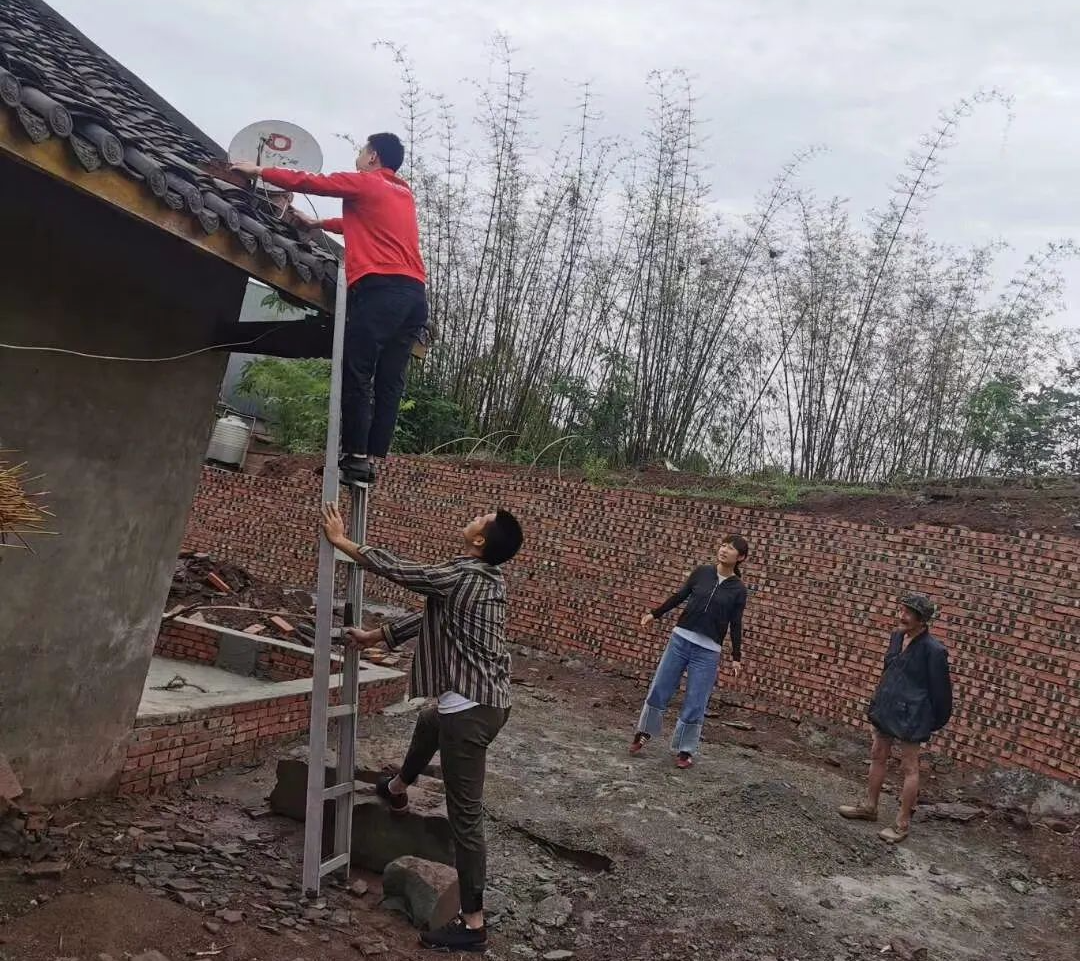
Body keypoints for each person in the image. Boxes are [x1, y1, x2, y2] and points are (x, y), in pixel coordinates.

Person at [321, 501, 524, 953]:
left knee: (466, 818)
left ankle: (473, 924)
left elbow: (403, 571)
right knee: (432, 719)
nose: (474, 514)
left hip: (472, 711)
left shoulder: (465, 576)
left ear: (480, 540)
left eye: (482, 518)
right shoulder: (481, 578)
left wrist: (343, 543)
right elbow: (430, 614)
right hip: (482, 703)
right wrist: (375, 637)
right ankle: (397, 787)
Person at [232, 132, 426, 486]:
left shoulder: (366, 182)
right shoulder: (402, 193)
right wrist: (318, 224)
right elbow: (360, 223)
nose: (359, 155)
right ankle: (370, 459)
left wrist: (259, 170)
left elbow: (313, 182)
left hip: (381, 290)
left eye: (362, 150)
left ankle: (354, 457)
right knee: (390, 381)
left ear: (373, 156)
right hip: (414, 297)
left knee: (357, 369)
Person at [839, 592, 953, 843]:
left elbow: (941, 692)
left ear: (922, 620)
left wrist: (933, 720)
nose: (902, 616)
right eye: (901, 610)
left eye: (908, 613)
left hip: (912, 715)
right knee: (878, 754)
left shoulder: (934, 650)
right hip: (887, 708)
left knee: (909, 766)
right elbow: (889, 669)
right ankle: (870, 807)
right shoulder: (897, 637)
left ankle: (902, 823)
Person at [631, 534, 750, 769]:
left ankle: (685, 749)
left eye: (730, 548)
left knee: (696, 700)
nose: (724, 550)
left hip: (708, 651)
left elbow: (736, 623)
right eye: (723, 545)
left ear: (741, 557)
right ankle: (644, 731)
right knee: (660, 687)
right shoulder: (702, 573)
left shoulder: (738, 589)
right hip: (680, 640)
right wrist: (654, 614)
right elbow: (680, 596)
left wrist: (736, 657)